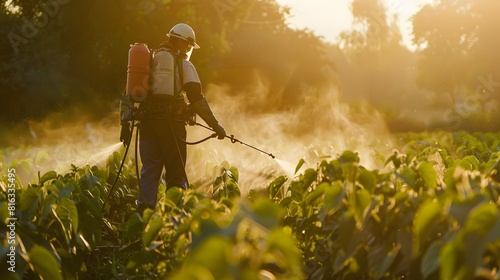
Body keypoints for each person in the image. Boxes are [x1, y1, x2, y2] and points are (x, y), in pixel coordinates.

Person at [120, 23, 226, 214]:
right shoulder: (184, 65)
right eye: (187, 46)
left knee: (150, 170)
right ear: (181, 42)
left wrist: (124, 124)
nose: (187, 50)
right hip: (171, 127)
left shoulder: (148, 61)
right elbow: (196, 99)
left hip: (147, 125)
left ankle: (143, 218)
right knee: (176, 173)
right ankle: (174, 219)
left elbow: (129, 93)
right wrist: (216, 125)